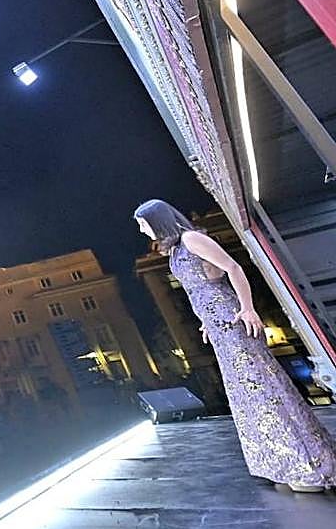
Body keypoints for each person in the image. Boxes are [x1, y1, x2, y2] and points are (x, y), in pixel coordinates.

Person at [135, 199, 336, 491]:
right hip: (218, 326)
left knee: (263, 386)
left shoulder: (192, 238)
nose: (142, 230)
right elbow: (202, 286)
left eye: (144, 224)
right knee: (247, 392)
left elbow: (232, 267)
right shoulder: (176, 250)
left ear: (159, 220)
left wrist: (247, 308)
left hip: (232, 321)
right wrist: (206, 320)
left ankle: (310, 465)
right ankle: (283, 462)